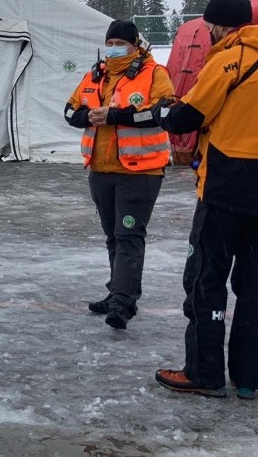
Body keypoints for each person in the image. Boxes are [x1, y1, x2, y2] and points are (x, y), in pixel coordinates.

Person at [151, 0, 258, 399]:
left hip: (226, 187)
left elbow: (189, 115)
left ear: (218, 25)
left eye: (209, 27)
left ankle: (204, 373)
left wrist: (163, 111)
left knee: (206, 279)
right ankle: (249, 377)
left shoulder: (229, 60)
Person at [65, 20, 174, 330]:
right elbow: (70, 111)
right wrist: (88, 116)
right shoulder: (96, 75)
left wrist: (115, 115)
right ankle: (118, 291)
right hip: (101, 170)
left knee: (128, 235)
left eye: (120, 43)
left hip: (139, 171)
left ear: (134, 45)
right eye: (110, 43)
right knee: (113, 235)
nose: (114, 48)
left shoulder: (154, 73)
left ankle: (122, 303)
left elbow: (163, 112)